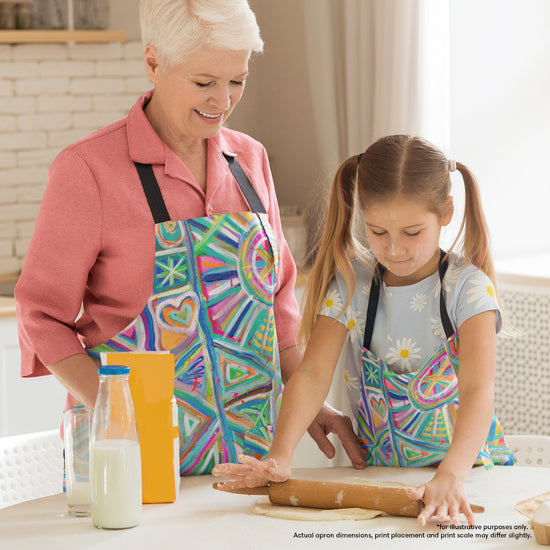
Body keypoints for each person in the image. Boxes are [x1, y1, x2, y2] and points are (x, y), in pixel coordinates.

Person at [14, 0, 362, 475]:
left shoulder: (250, 160)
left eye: (237, 80)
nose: (223, 100)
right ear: (154, 62)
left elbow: (277, 305)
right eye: (204, 83)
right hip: (129, 453)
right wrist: (113, 409)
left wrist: (308, 402)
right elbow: (41, 314)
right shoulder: (88, 170)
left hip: (247, 454)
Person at [212, 134, 514, 523]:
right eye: (377, 231)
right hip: (382, 482)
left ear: (446, 212)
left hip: (466, 480)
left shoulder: (468, 290)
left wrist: (451, 475)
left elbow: (477, 391)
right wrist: (280, 455)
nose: (394, 249)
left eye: (412, 232)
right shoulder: (353, 284)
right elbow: (312, 376)